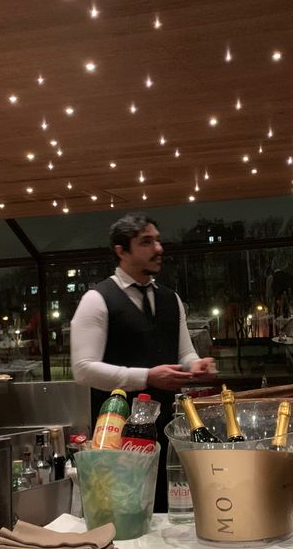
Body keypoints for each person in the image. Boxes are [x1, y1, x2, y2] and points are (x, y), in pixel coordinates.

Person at [70, 213, 215, 512]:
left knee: (168, 512)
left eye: (158, 240)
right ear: (122, 251)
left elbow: (184, 353)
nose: (158, 248)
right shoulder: (97, 299)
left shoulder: (171, 299)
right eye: (146, 242)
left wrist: (195, 365)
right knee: (122, 512)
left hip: (167, 429)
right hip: (116, 432)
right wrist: (146, 377)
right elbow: (83, 369)